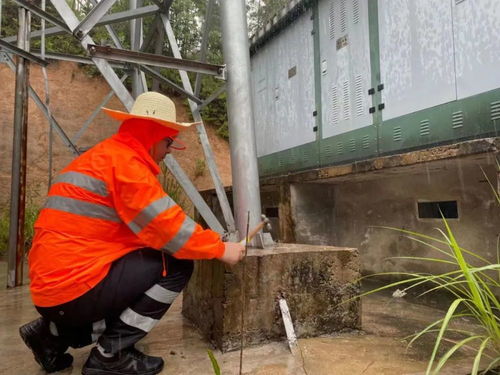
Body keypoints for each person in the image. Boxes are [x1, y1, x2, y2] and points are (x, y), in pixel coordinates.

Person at [19, 92, 245, 375]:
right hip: (73, 291)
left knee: (141, 268)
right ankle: (110, 355)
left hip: (51, 291)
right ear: (154, 136)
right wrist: (222, 249)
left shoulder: (103, 156)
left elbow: (144, 230)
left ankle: (48, 337)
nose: (168, 152)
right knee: (174, 266)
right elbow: (169, 228)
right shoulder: (128, 166)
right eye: (169, 142)